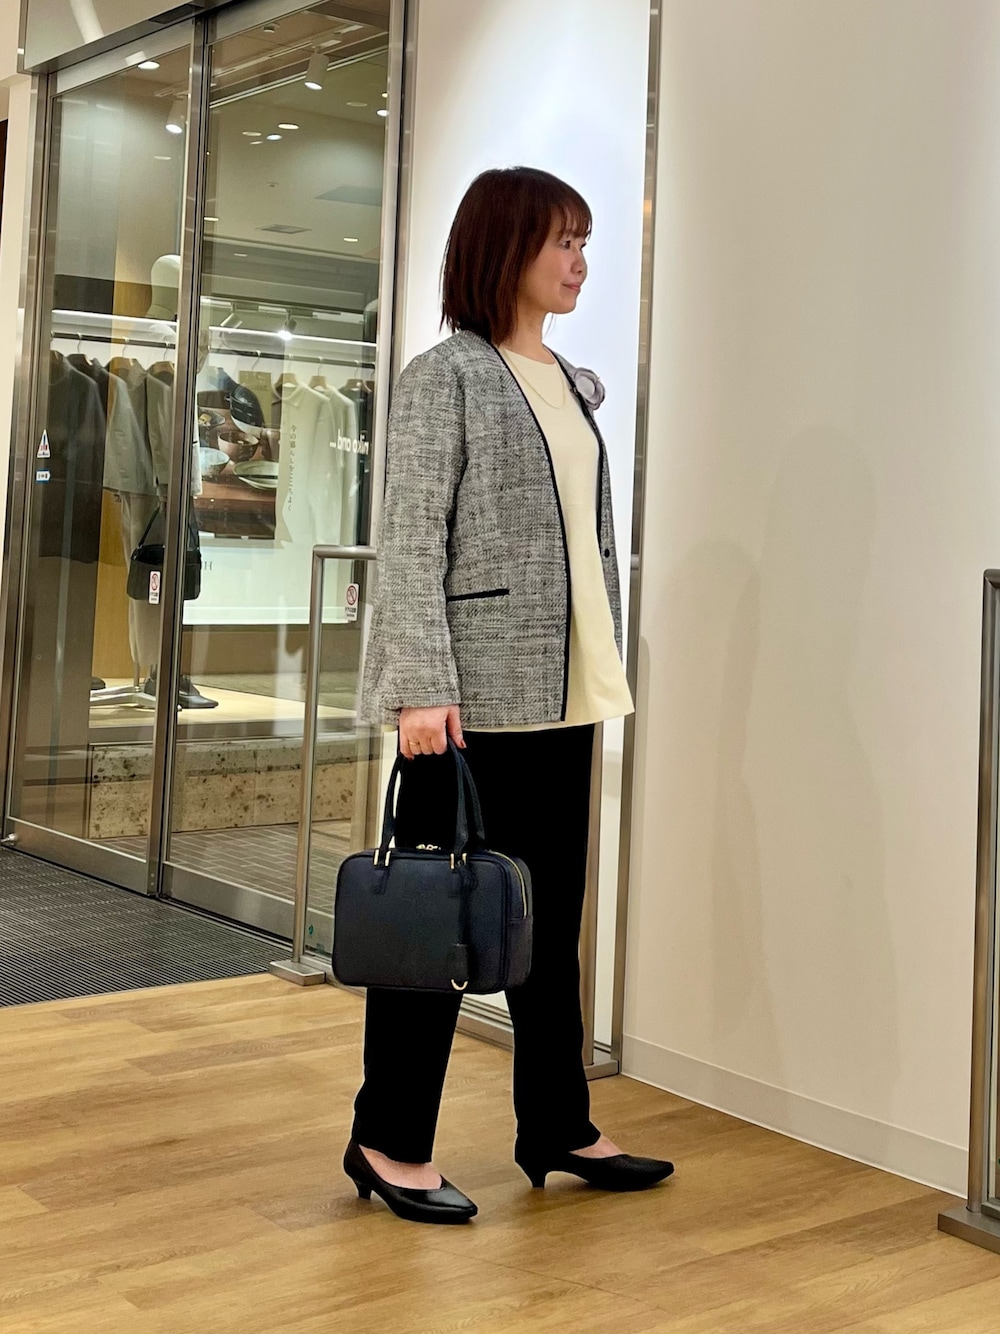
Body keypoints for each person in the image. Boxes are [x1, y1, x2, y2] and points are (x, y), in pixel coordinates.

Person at [345, 166, 674, 1225]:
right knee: (436, 926)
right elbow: (409, 540)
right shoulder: (445, 376)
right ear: (506, 246)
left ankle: (558, 1122)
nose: (580, 262)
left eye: (585, 243)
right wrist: (419, 686)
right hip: (467, 706)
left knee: (548, 922)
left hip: (563, 694)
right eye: (563, 241)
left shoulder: (570, 382)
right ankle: (388, 1139)